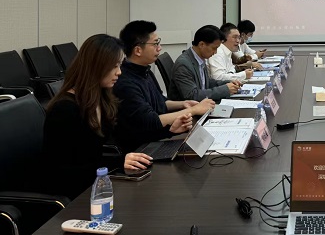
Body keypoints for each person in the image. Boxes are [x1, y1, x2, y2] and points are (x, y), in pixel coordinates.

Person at [42, 34, 161, 199]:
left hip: (96, 185)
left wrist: (169, 130)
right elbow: (64, 171)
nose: (119, 72)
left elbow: (126, 133)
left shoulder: (102, 98)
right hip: (75, 195)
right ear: (96, 66)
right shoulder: (65, 110)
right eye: (114, 66)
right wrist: (117, 163)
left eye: (120, 65)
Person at [114, 20, 215, 152]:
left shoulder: (145, 71)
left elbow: (160, 101)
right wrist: (194, 110)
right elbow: (150, 120)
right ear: (138, 50)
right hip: (139, 150)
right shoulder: (125, 82)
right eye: (155, 44)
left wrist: (183, 104)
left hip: (157, 136)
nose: (159, 48)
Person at [168, 26, 242, 101]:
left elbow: (205, 83)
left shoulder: (200, 58)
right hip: (189, 107)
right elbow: (192, 95)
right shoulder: (183, 65)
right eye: (214, 48)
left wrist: (227, 83)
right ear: (201, 45)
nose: (215, 52)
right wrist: (225, 89)